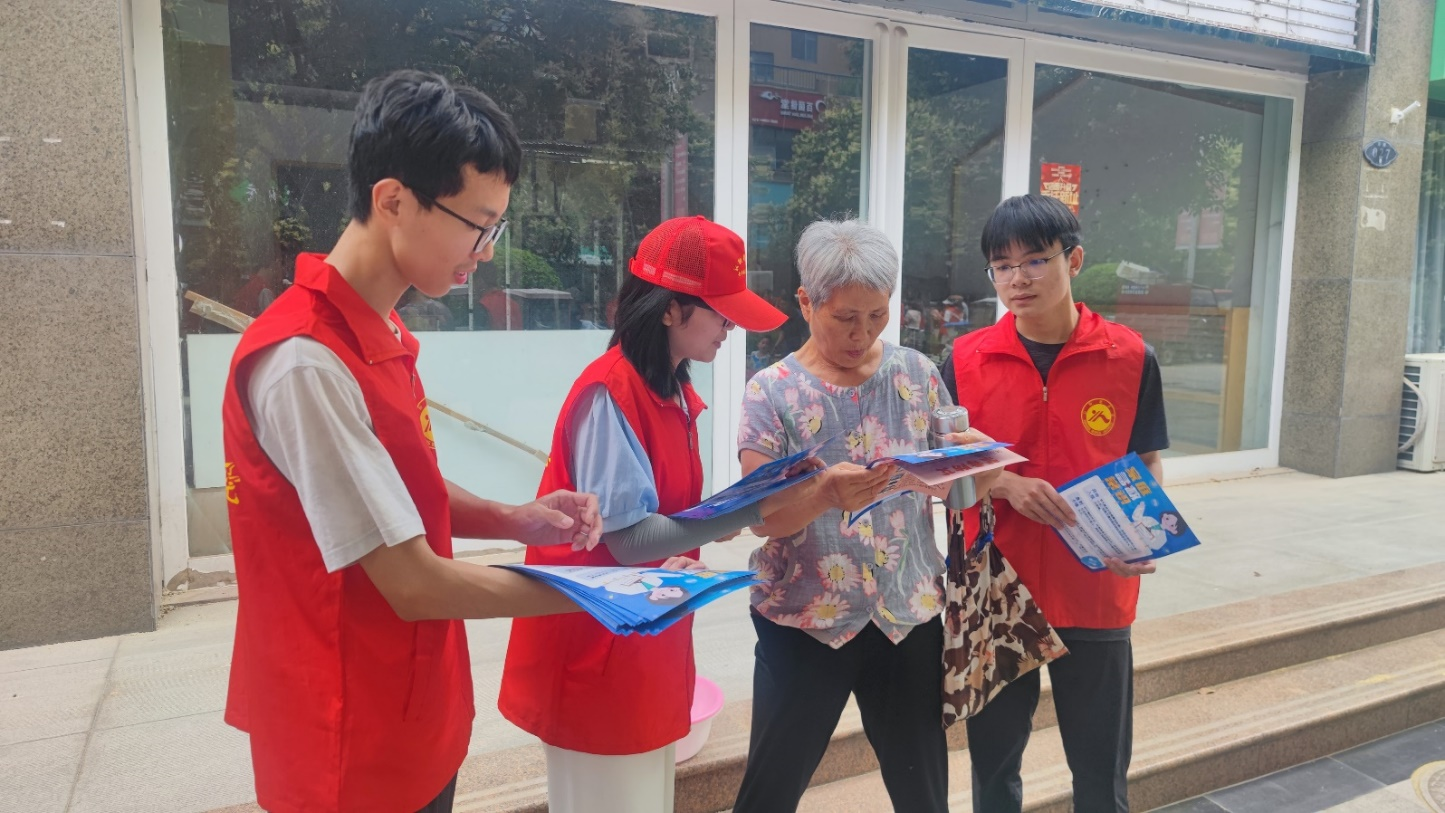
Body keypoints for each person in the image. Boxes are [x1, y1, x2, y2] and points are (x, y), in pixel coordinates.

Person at [220, 70, 605, 813]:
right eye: (477, 225)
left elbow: (397, 492)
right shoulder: (306, 362)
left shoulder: (380, 329)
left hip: (411, 706)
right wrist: (599, 595)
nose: (486, 251)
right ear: (393, 200)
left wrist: (515, 517)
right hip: (346, 732)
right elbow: (414, 582)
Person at [499, 216, 892, 813]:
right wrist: (752, 506)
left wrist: (733, 514)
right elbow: (629, 540)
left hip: (643, 635)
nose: (730, 329)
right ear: (669, 310)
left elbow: (664, 520)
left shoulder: (671, 389)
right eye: (721, 314)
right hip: (596, 646)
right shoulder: (612, 392)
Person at [731, 219, 1000, 813]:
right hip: (805, 619)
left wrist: (979, 465)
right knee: (770, 791)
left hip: (907, 613)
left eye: (877, 315)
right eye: (845, 317)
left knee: (923, 793)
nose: (863, 333)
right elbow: (763, 519)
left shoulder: (916, 373)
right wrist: (825, 494)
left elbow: (956, 493)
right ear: (806, 302)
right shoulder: (771, 392)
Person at [941, 194, 1170, 813]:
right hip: (996, 590)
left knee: (1101, 773)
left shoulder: (1130, 357)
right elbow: (940, 472)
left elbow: (1145, 461)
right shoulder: (963, 361)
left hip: (1095, 587)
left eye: (1035, 260)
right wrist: (1004, 482)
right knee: (994, 773)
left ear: (1074, 259)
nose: (1017, 279)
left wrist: (1143, 534)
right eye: (1002, 265)